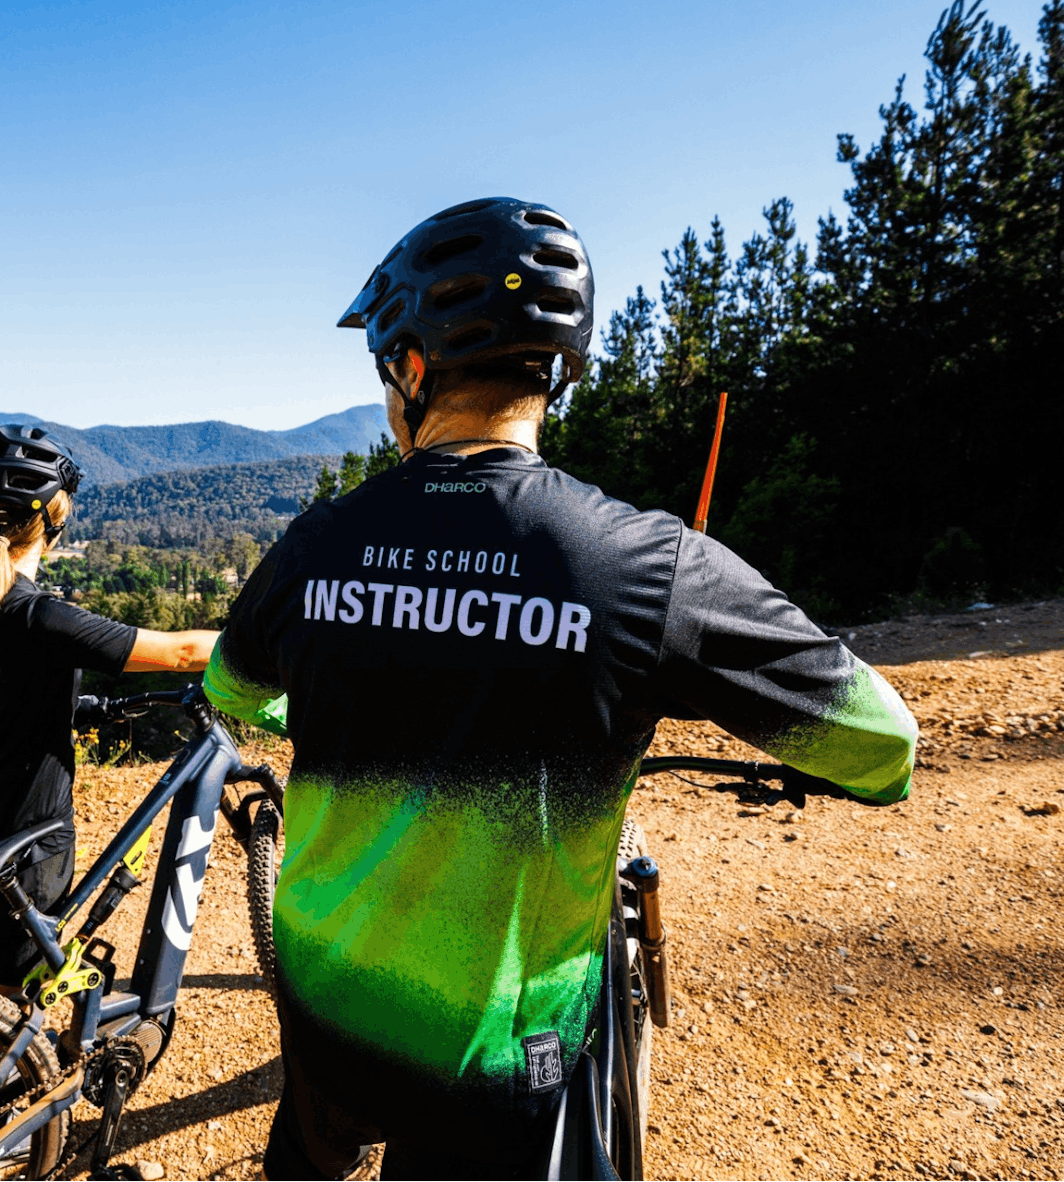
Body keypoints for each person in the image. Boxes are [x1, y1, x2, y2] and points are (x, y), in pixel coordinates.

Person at [202, 198, 918, 1179]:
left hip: (326, 1020)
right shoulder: (648, 564)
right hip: (503, 1069)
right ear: (555, 377)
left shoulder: (311, 546)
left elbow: (236, 690)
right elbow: (881, 743)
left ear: (410, 370)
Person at [0, 424, 218, 1011]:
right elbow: (182, 653)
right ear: (56, 516)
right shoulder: (39, 615)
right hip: (32, 821)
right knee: (6, 995)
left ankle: (29, 1063)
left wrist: (77, 709)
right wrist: (271, 642)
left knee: (30, 961)